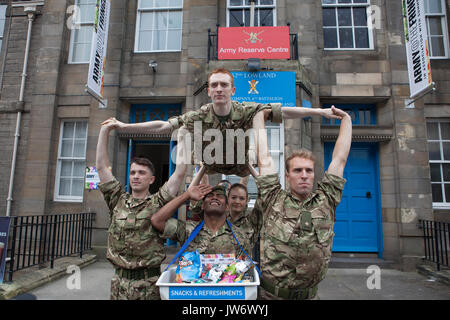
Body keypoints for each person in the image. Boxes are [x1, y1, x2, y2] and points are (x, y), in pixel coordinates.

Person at [102, 68, 342, 177]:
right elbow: (165, 125)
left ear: (233, 89)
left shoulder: (246, 109)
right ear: (208, 91)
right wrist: (124, 126)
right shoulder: (200, 113)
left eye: (223, 84)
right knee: (186, 132)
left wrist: (320, 112)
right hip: (210, 166)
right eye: (214, 85)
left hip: (243, 166)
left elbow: (285, 111)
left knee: (261, 119)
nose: (219, 89)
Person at [250, 105, 352, 300]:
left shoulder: (327, 199)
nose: (304, 175)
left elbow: (340, 159)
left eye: (309, 171)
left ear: (314, 175)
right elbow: (264, 158)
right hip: (271, 296)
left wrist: (346, 119)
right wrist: (260, 117)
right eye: (298, 171)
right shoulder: (273, 198)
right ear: (287, 176)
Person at [96, 120, 190, 300]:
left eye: (141, 173)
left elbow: (180, 171)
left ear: (152, 179)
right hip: (119, 285)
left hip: (149, 285)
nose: (136, 177)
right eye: (133, 173)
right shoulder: (117, 199)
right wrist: (105, 130)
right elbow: (101, 167)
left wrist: (183, 135)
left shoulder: (158, 202)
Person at [150, 166, 253, 257]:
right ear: (202, 205)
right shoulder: (188, 230)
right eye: (210, 196)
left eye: (219, 196)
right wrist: (186, 195)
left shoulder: (240, 236)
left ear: (227, 206)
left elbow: (246, 272)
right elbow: (157, 220)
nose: (214, 198)